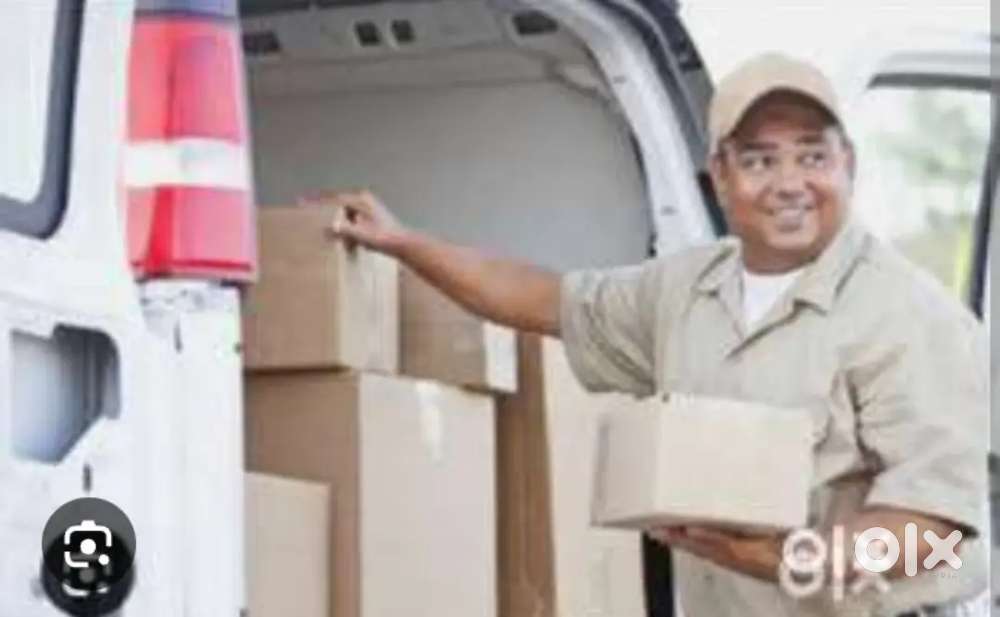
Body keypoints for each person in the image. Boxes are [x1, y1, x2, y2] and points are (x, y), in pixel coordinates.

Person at [300, 53, 988, 616]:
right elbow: (541, 299)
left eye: (813, 157)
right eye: (759, 160)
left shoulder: (908, 316)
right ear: (720, 176)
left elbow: (940, 537)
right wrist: (402, 242)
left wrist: (789, 557)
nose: (790, 183)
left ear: (849, 165)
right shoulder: (685, 290)